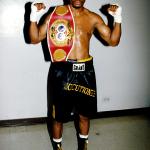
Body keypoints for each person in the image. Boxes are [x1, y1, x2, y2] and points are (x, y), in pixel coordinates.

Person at [29, 0, 122, 150]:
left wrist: (117, 19)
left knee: (85, 115)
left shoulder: (92, 18)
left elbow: (113, 41)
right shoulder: (57, 14)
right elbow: (34, 38)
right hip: (62, 71)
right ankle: (58, 147)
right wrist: (33, 16)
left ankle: (83, 147)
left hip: (85, 71)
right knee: (58, 117)